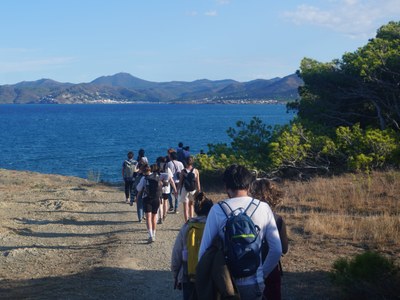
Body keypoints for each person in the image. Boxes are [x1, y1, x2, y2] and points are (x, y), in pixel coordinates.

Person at [198, 164, 282, 300]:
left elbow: (203, 252)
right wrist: (262, 273)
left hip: (227, 284)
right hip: (255, 281)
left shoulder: (217, 210)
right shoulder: (263, 208)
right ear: (249, 186)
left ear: (226, 188)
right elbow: (277, 250)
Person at [250, 178, 289, 300]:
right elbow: (284, 249)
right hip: (272, 268)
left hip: (252, 266)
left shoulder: (247, 218)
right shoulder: (278, 219)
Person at [171, 192, 214, 300]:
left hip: (188, 274)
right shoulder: (214, 227)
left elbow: (177, 253)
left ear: (196, 210)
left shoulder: (187, 227)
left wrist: (176, 275)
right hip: (209, 276)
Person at [136, 163, 164, 243]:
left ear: (144, 172)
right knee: (154, 217)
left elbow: (138, 188)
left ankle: (150, 235)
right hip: (156, 199)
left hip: (147, 199)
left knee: (148, 217)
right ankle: (154, 234)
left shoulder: (144, 178)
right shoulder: (157, 176)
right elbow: (162, 185)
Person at [178, 156, 201, 223]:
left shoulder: (183, 171)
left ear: (186, 162)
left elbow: (180, 182)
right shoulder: (196, 171)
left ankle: (186, 222)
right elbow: (197, 182)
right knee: (191, 205)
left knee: (185, 207)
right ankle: (192, 219)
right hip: (193, 190)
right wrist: (199, 190)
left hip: (185, 189)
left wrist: (177, 190)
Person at [157, 156, 178, 224]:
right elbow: (171, 180)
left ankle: (160, 217)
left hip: (159, 189)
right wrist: (175, 189)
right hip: (166, 189)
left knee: (160, 203)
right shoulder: (167, 169)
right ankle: (164, 215)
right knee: (165, 202)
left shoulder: (156, 168)